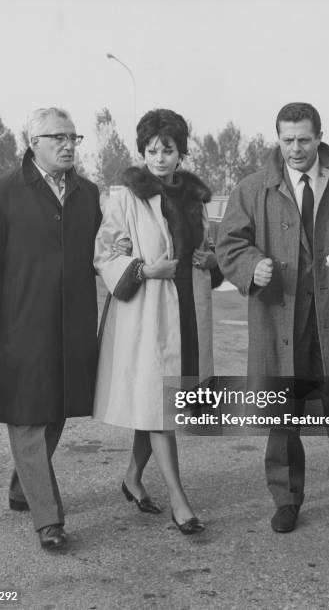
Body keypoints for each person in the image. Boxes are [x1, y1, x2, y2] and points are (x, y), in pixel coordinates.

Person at [216, 102, 329, 544]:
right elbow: (228, 244)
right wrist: (250, 266)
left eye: (303, 139)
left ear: (319, 137)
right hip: (277, 318)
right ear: (276, 139)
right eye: (286, 140)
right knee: (281, 412)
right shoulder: (253, 187)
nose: (295, 149)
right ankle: (285, 500)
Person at [0, 107, 102, 551]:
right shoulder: (2, 192)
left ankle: (24, 486)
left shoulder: (89, 193)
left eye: (73, 137)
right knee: (26, 416)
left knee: (57, 411)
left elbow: (105, 252)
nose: (67, 145)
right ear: (33, 143)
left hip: (73, 324)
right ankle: (48, 519)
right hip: (22, 324)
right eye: (57, 137)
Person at [94, 108, 220, 535]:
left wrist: (209, 259)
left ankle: (132, 477)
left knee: (161, 401)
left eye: (168, 150)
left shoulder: (195, 198)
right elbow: (105, 255)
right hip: (147, 314)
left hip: (187, 307)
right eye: (152, 150)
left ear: (181, 152)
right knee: (161, 406)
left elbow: (209, 250)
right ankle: (180, 502)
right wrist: (146, 271)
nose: (160, 158)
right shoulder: (126, 197)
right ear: (142, 150)